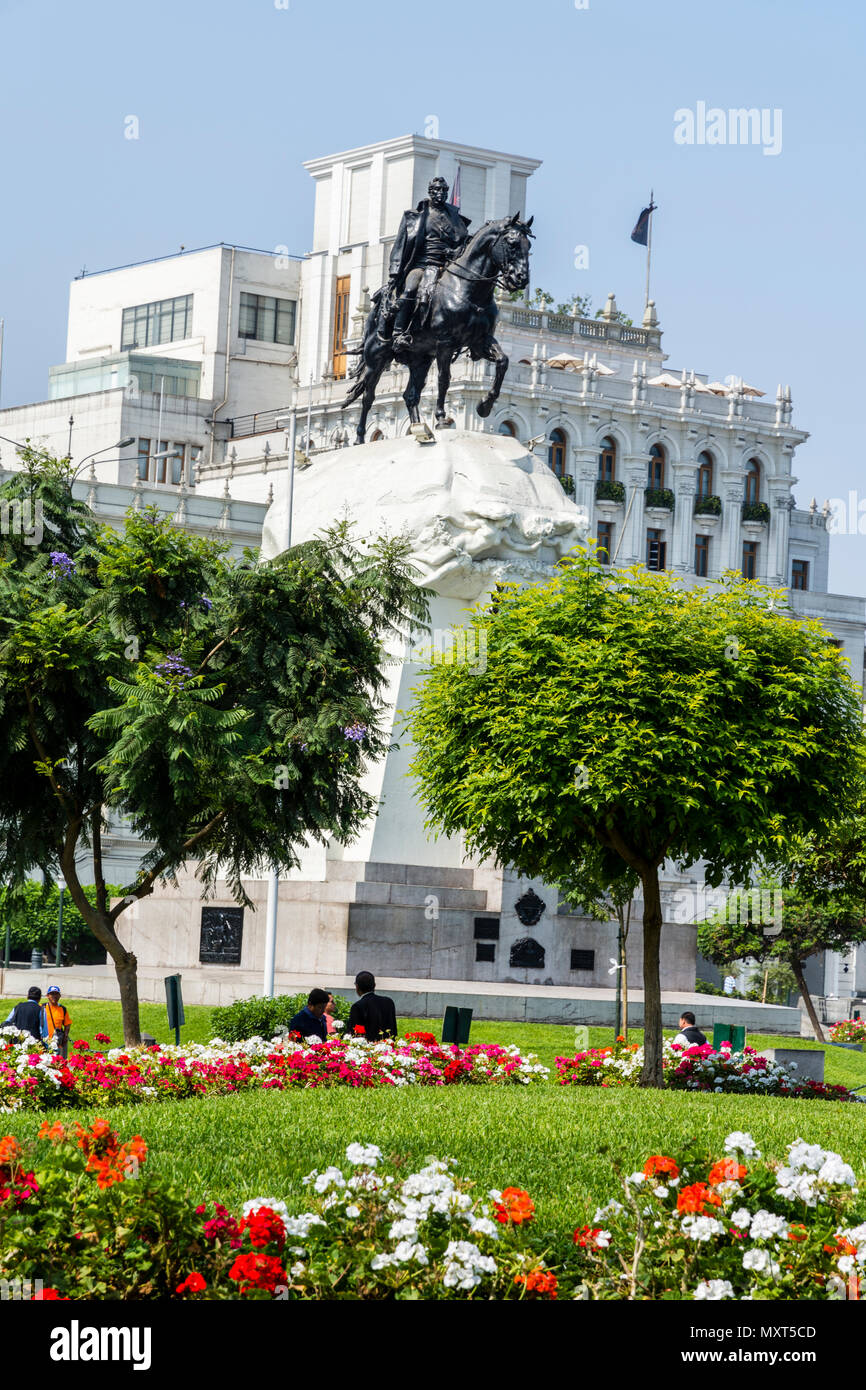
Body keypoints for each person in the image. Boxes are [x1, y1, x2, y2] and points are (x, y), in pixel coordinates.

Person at [386, 176, 471, 351]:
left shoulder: (453, 216)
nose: (441, 193)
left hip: (447, 266)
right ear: (430, 192)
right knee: (411, 288)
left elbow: (463, 242)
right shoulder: (414, 216)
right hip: (422, 264)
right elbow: (400, 245)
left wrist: (455, 252)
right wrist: (395, 272)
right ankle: (398, 333)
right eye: (437, 190)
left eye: (444, 191)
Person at [348, 971, 397, 1043]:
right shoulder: (388, 1002)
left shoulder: (357, 1006)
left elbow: (356, 1034)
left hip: (368, 1049)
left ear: (357, 986)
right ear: (374, 985)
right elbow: (393, 1030)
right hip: (388, 1047)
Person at [41, 985, 72, 1059]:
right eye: (52, 994)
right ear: (48, 996)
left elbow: (67, 1024)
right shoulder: (42, 1007)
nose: (54, 996)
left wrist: (65, 1036)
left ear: (60, 996)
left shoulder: (62, 1009)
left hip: (56, 1042)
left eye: (56, 994)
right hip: (43, 1041)